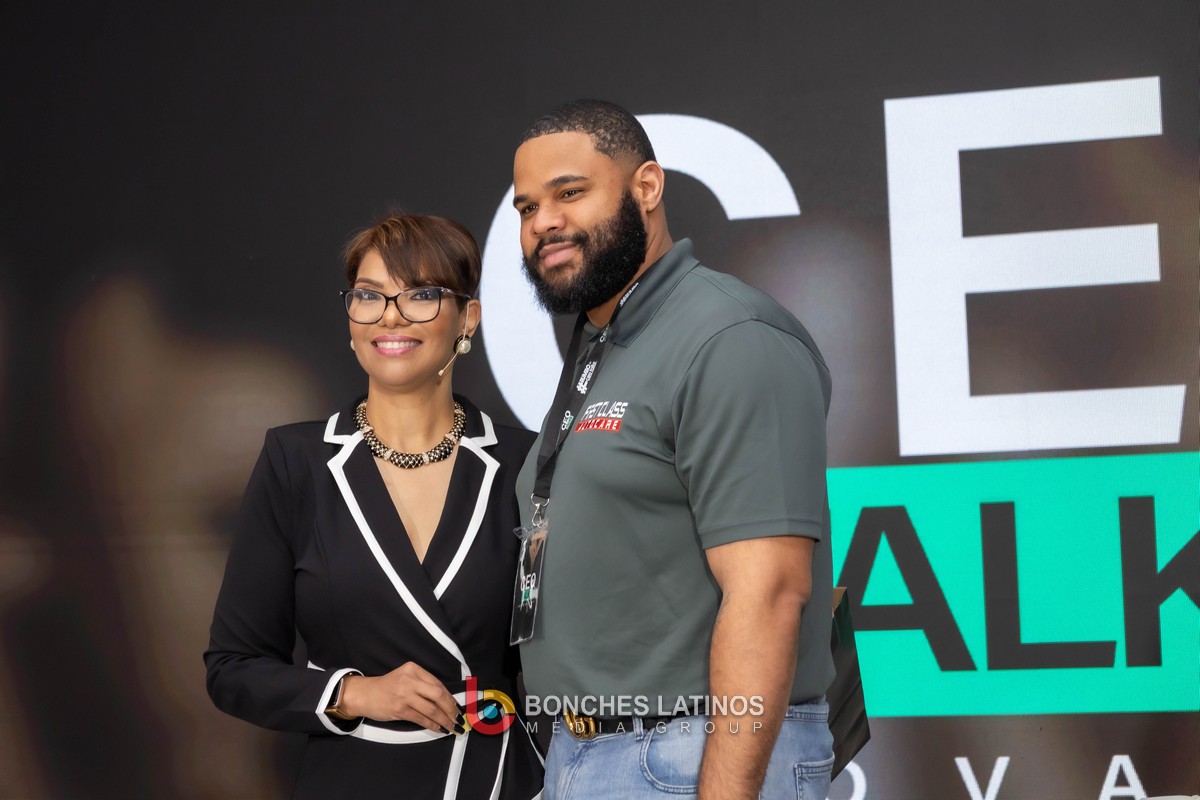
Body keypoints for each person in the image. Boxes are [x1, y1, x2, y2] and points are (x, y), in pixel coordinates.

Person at [509, 100, 835, 800]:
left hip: (688, 755)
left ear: (647, 187)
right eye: (526, 207)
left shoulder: (730, 336)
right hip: (584, 753)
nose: (543, 223)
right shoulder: (606, 341)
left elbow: (770, 591)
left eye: (570, 193)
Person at [205, 214, 544, 799]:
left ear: (468, 318)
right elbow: (233, 668)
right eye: (369, 295)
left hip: (494, 780)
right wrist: (354, 693)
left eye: (421, 295)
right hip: (352, 781)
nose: (390, 315)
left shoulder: (524, 462)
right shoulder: (296, 461)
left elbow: (560, 658)